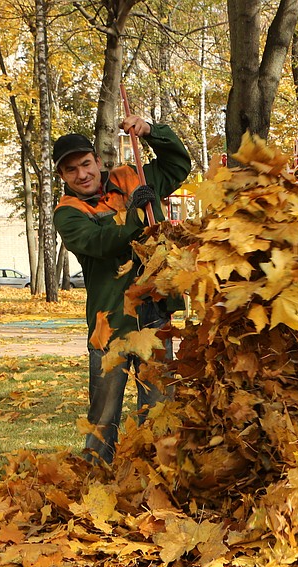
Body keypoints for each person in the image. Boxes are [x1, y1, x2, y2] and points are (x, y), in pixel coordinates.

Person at [52, 115, 192, 464]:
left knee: (159, 407)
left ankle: (158, 472)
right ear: (63, 177)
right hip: (110, 322)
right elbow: (99, 242)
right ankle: (95, 474)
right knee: (103, 413)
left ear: (98, 161)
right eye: (71, 171)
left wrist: (151, 131)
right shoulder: (67, 213)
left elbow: (178, 166)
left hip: (153, 311)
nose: (82, 174)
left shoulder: (132, 176)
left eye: (86, 164)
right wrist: (135, 214)